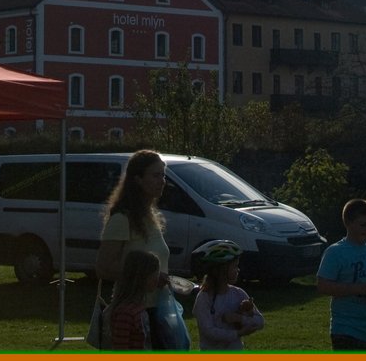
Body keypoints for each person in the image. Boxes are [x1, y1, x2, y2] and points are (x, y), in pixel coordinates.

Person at [96, 150, 173, 348]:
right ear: (137, 179)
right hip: (133, 313)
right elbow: (104, 267)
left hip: (156, 308)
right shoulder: (122, 218)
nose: (162, 181)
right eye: (156, 175)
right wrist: (147, 278)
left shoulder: (150, 216)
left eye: (163, 175)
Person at [316, 198, 366, 351]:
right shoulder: (336, 252)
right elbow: (323, 286)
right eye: (363, 225)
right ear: (348, 223)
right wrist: (359, 289)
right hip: (347, 331)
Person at [190, 239, 265, 350]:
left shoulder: (238, 293)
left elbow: (260, 322)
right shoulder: (204, 298)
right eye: (235, 266)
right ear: (221, 270)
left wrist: (239, 318)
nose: (238, 270)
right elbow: (209, 332)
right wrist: (238, 333)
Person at [107, 249, 161, 350]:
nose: (157, 279)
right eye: (154, 275)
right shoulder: (126, 313)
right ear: (141, 277)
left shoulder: (139, 308)